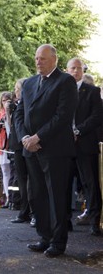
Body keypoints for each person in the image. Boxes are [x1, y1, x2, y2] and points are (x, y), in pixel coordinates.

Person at [15, 44, 78, 257]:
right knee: (37, 195)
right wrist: (25, 137)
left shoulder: (65, 81)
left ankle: (58, 243)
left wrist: (38, 137)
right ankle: (44, 236)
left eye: (42, 58)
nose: (38, 61)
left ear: (54, 60)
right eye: (36, 58)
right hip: (30, 149)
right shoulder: (29, 83)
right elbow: (19, 113)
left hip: (54, 149)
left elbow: (62, 116)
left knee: (56, 196)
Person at [66, 58, 103, 236]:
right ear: (67, 70)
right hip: (64, 145)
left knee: (90, 183)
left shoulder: (92, 91)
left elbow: (97, 116)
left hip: (85, 144)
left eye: (79, 68)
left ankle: (95, 220)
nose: (76, 71)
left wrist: (78, 131)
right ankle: (64, 221)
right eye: (72, 68)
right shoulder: (61, 91)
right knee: (65, 184)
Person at [9, 78, 32, 224]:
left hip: (27, 144)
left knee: (32, 181)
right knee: (22, 180)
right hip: (17, 145)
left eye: (17, 90)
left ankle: (34, 212)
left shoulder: (29, 105)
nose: (15, 93)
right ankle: (24, 211)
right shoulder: (15, 106)